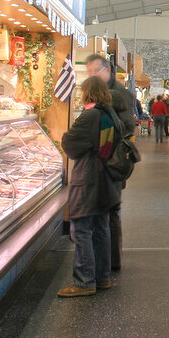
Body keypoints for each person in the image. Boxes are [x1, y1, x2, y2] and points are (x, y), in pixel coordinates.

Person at [58, 77, 123, 297]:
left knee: (81, 229)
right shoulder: (110, 114)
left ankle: (85, 281)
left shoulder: (90, 116)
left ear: (87, 93)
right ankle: (102, 277)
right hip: (107, 180)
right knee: (101, 228)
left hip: (88, 179)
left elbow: (70, 144)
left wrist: (65, 138)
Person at [84, 53, 135, 271]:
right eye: (89, 72)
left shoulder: (116, 95)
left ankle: (109, 261)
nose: (92, 76)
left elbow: (124, 128)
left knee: (110, 211)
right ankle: (109, 260)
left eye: (95, 71)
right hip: (111, 162)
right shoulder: (112, 94)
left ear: (107, 70)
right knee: (110, 210)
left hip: (111, 162)